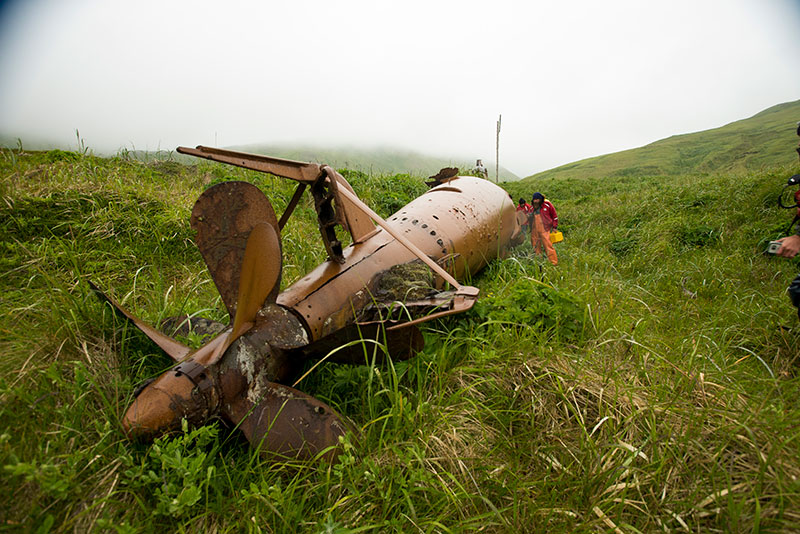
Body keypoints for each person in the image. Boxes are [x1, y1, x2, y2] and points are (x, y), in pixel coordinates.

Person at [529, 192, 558, 265]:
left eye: (537, 199)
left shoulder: (547, 205)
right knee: (535, 246)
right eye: (534, 200)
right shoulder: (532, 208)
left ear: (541, 199)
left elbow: (554, 216)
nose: (535, 201)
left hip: (545, 229)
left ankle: (553, 262)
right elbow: (528, 218)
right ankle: (539, 261)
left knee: (548, 245)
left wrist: (554, 227)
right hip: (534, 230)